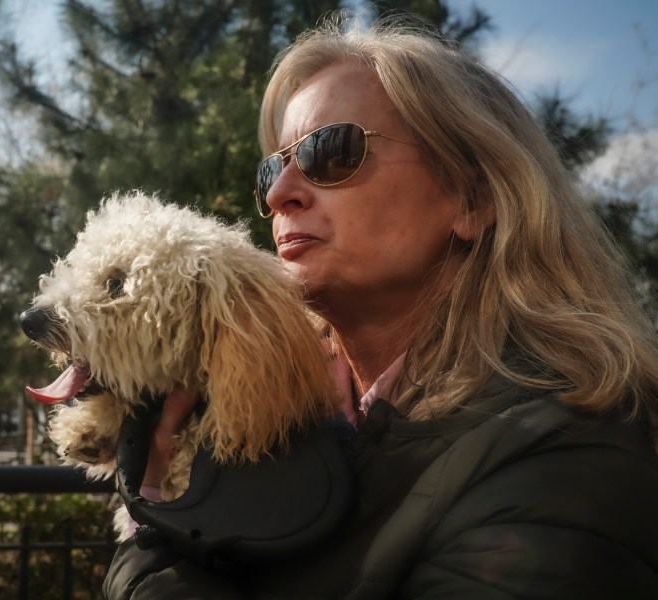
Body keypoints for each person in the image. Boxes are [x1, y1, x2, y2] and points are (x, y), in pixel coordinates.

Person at [104, 16, 658, 599]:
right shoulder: (263, 421)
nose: (277, 194)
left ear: (474, 198)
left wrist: (151, 532)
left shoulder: (565, 459)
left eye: (331, 151)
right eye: (273, 166)